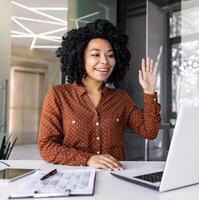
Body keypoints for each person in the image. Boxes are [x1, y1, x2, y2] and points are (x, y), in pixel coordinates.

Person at [38, 19, 161, 171]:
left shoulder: (120, 98)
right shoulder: (58, 95)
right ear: (80, 57)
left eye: (110, 55)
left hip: (115, 178)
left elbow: (150, 131)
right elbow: (47, 147)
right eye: (95, 54)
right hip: (75, 178)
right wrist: (88, 159)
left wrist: (149, 92)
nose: (105, 61)